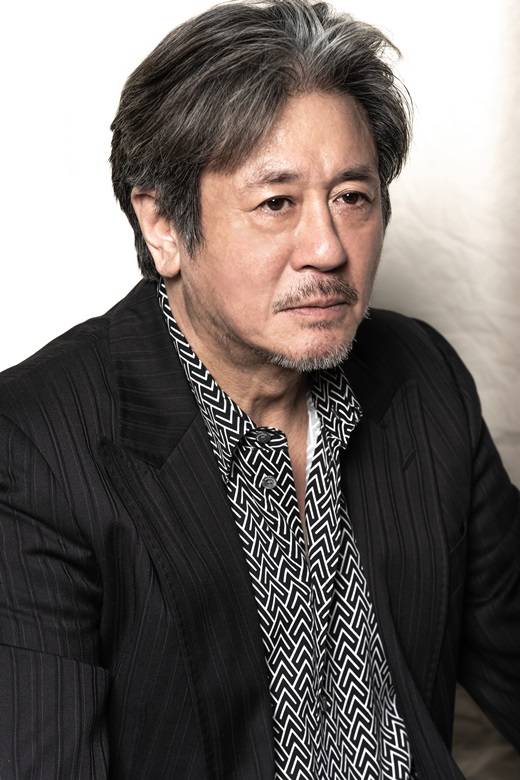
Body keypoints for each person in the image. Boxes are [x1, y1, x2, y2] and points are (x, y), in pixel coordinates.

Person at [0, 0, 518, 777]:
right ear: (162, 226)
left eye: (352, 196)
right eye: (277, 203)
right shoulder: (35, 448)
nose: (327, 248)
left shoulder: (423, 376)